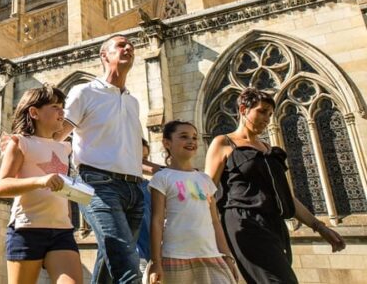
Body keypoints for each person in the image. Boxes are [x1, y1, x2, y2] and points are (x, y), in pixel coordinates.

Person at [204, 87, 347, 284]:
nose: (267, 118)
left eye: (270, 114)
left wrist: (319, 227)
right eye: (261, 111)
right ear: (243, 109)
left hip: (275, 224)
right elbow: (206, 192)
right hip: (243, 223)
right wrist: (214, 237)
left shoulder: (270, 150)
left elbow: (287, 197)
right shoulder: (224, 143)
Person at [56, 35, 161, 284]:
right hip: (96, 185)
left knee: (109, 260)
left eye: (131, 46)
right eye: (121, 45)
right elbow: (58, 135)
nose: (128, 48)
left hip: (134, 189)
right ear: (104, 55)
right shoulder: (84, 92)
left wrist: (169, 171)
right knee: (128, 266)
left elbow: (132, 154)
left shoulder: (132, 101)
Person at [0, 85, 83, 284]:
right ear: (34, 112)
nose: (62, 112)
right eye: (55, 107)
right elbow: (1, 187)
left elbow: (62, 191)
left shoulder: (64, 148)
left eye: (63, 107)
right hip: (27, 230)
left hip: (62, 231)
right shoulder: (19, 142)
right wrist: (41, 181)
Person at [148, 120, 237, 284]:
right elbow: (157, 220)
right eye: (184, 136)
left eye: (195, 138)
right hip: (175, 256)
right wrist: (156, 262)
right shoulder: (162, 178)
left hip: (210, 255)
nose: (191, 141)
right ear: (167, 143)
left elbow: (215, 222)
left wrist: (227, 256)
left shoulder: (205, 179)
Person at [136, 139, 152, 275]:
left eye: (145, 158)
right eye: (137, 158)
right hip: (133, 256)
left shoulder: (149, 187)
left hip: (150, 256)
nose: (143, 164)